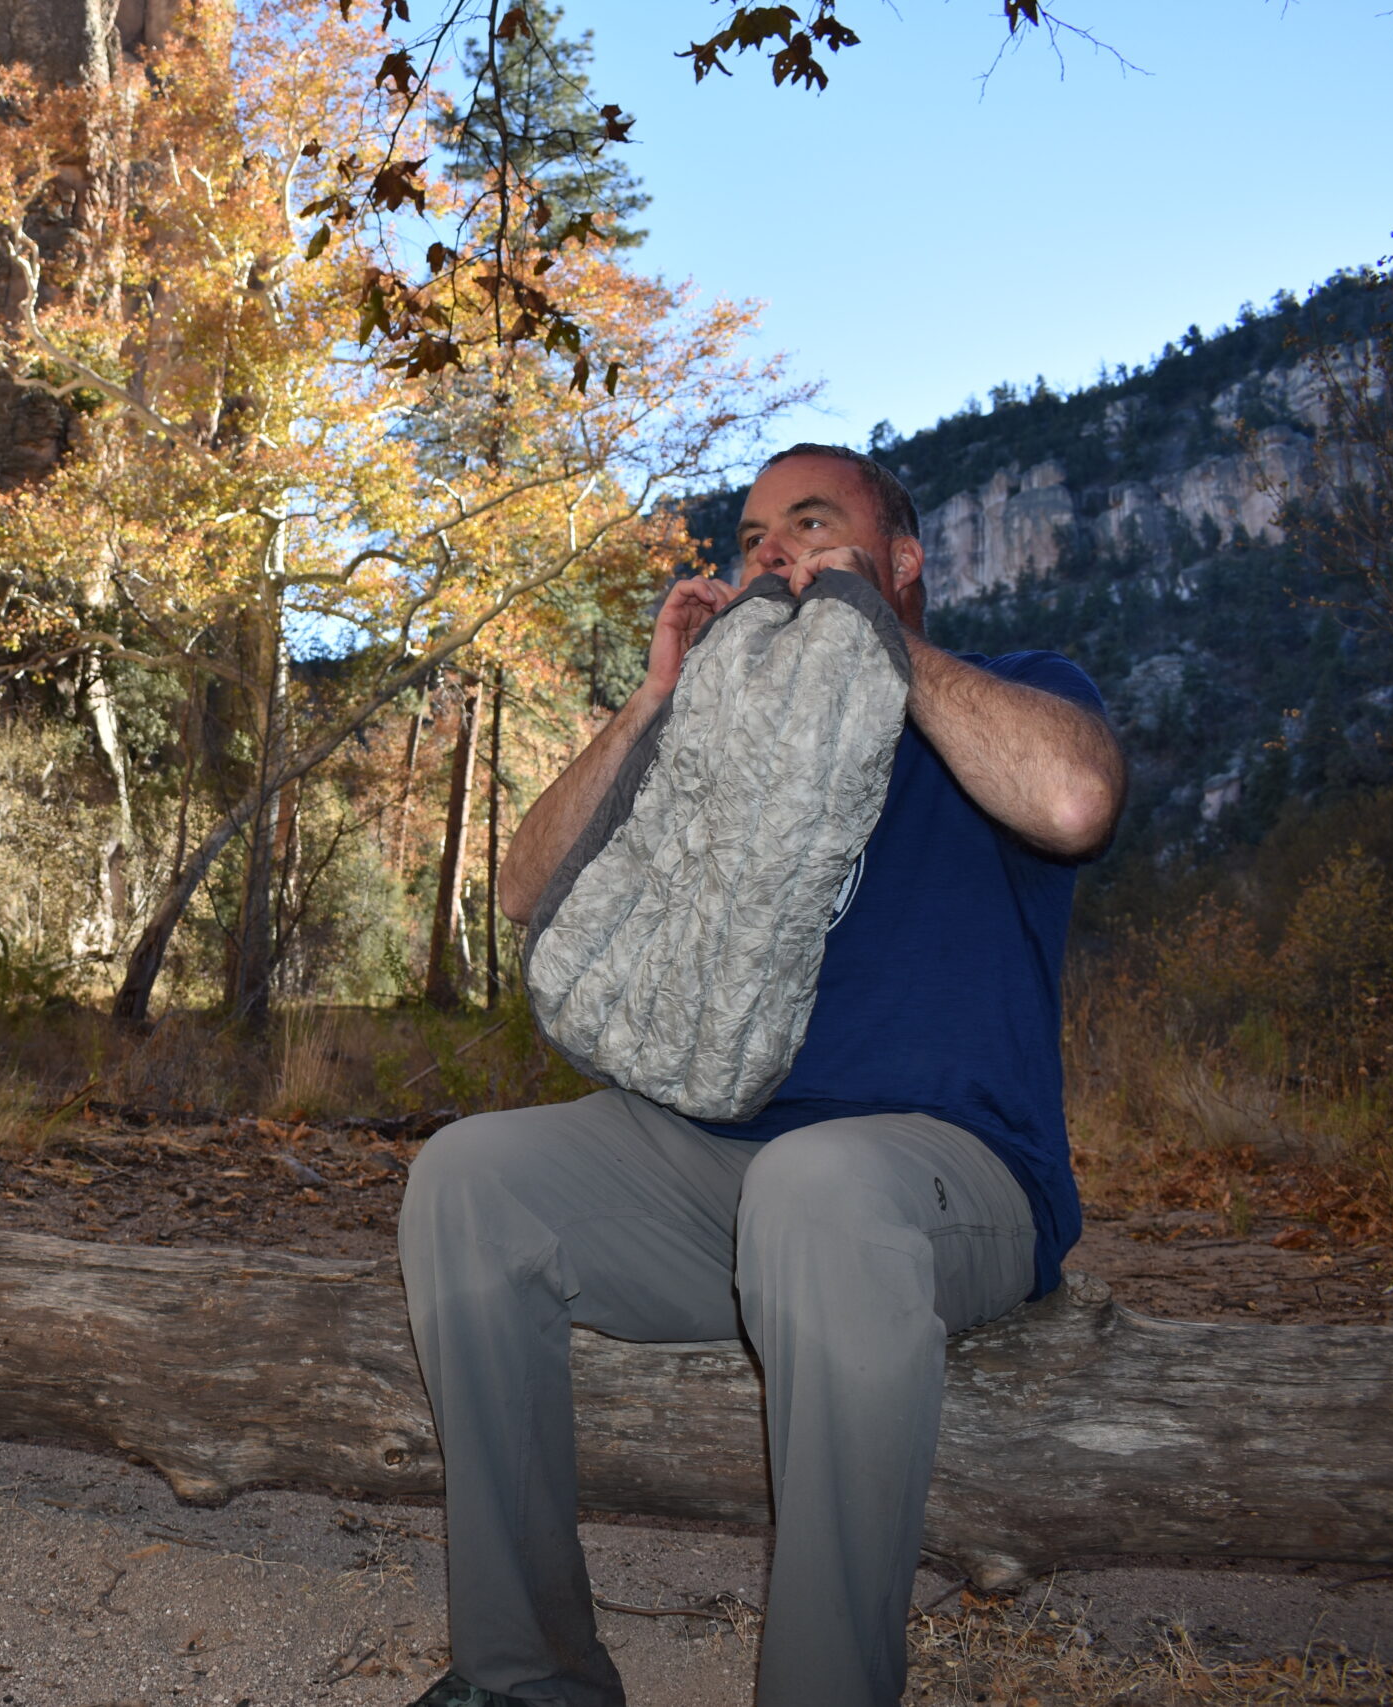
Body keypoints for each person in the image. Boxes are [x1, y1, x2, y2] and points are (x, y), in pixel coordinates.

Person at [397, 443, 1126, 1707]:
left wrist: (874, 643)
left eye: (810, 524)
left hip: (940, 1178)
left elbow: (1070, 803)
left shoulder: (1006, 692)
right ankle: (526, 1679)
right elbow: (526, 897)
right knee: (473, 1177)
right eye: (750, 538)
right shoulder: (720, 748)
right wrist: (658, 701)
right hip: (714, 1167)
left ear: (899, 563)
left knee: (819, 1185)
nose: (771, 552)